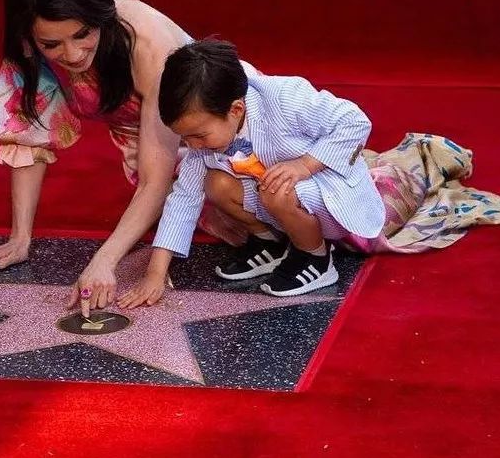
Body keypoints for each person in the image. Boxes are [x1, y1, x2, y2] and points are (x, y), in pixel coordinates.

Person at [0, 0, 244, 316]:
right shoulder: (28, 46)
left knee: (254, 212)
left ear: (99, 13)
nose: (73, 55)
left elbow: (155, 180)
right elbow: (28, 133)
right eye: (52, 44)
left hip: (219, 142)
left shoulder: (146, 42)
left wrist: (104, 260)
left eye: (83, 34)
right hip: (149, 156)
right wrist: (20, 237)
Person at [117, 39, 386, 307]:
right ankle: (270, 243)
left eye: (198, 136)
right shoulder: (206, 135)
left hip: (327, 190)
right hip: (278, 196)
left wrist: (305, 165)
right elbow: (184, 198)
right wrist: (155, 274)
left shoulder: (284, 97)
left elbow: (354, 121)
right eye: (184, 138)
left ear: (236, 109)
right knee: (216, 184)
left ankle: (315, 257)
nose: (192, 146)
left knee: (276, 190)